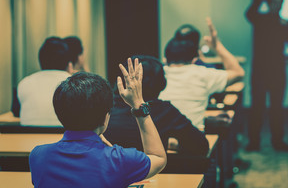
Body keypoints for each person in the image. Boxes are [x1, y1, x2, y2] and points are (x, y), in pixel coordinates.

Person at [29, 59, 167, 187]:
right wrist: (138, 105)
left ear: (59, 114)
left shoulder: (38, 156)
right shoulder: (121, 160)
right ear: (106, 117)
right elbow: (158, 158)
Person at [104, 55, 209, 155]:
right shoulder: (165, 112)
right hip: (150, 172)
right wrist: (171, 144)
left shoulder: (104, 107)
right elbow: (201, 146)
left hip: (106, 172)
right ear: (161, 84)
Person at [159, 18, 245, 129]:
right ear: (194, 58)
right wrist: (217, 45)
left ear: (165, 59)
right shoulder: (203, 73)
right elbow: (239, 73)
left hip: (159, 139)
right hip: (191, 139)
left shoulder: (157, 74)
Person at [245, 0, 288, 152]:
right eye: (273, 2)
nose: (277, 5)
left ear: (282, 4)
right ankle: (254, 142)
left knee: (277, 109)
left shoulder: (286, 23)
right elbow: (248, 13)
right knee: (257, 108)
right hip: (259, 72)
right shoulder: (259, 19)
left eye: (279, 2)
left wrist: (287, 29)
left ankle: (278, 141)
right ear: (268, 3)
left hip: (278, 72)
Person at [17, 37, 73, 126]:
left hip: (29, 138)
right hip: (65, 138)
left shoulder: (24, 83)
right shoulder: (74, 83)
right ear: (68, 63)